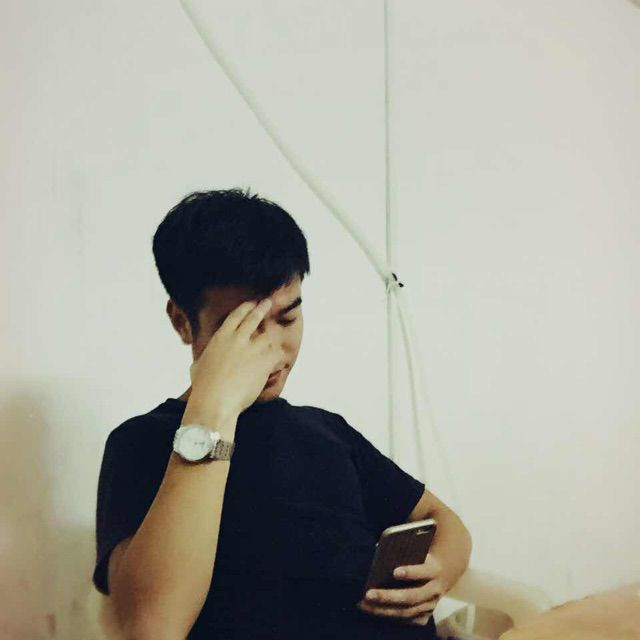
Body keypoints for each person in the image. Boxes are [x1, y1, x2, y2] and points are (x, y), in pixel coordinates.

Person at [92, 189, 472, 639]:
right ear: (181, 322)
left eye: (288, 319)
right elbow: (153, 626)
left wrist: (439, 570)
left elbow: (443, 519)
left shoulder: (326, 431)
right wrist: (213, 407)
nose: (273, 349)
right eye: (244, 329)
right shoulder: (141, 442)